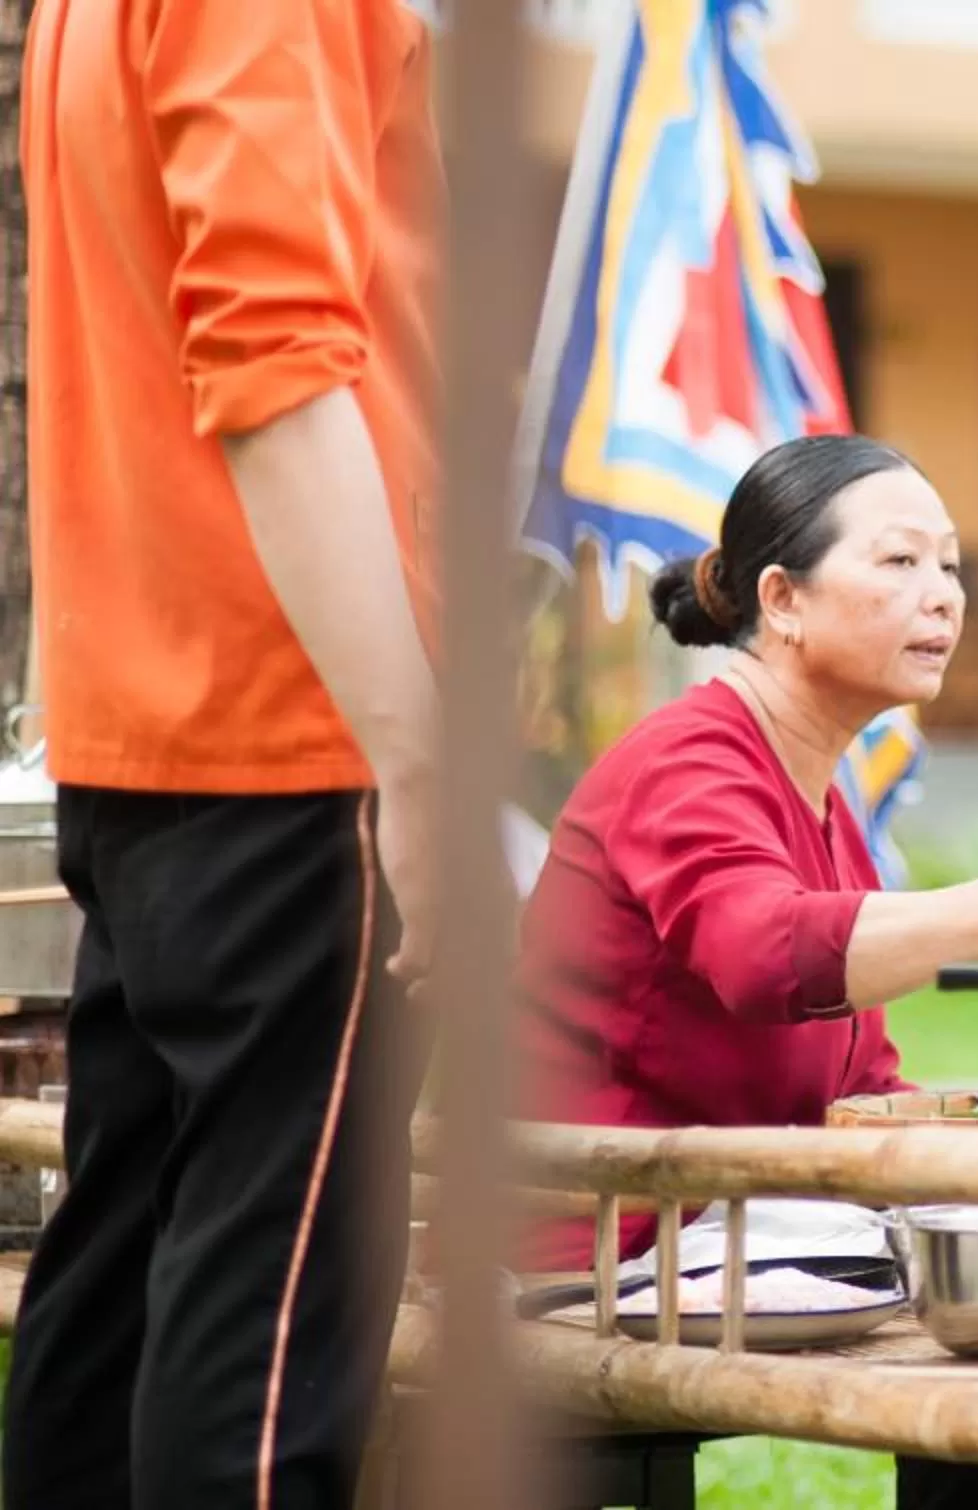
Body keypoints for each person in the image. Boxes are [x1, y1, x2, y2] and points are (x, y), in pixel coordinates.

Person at [519, 435, 978, 1508]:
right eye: (899, 563)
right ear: (783, 599)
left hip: (737, 1229)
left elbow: (856, 1078)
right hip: (613, 1243)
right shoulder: (688, 758)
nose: (942, 596)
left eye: (950, 565)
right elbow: (768, 954)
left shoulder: (816, 792)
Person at [8, 2, 444, 1505]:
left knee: (125, 1270)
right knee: (265, 1325)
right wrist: (421, 766)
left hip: (151, 715)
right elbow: (271, 365)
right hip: (290, 727)